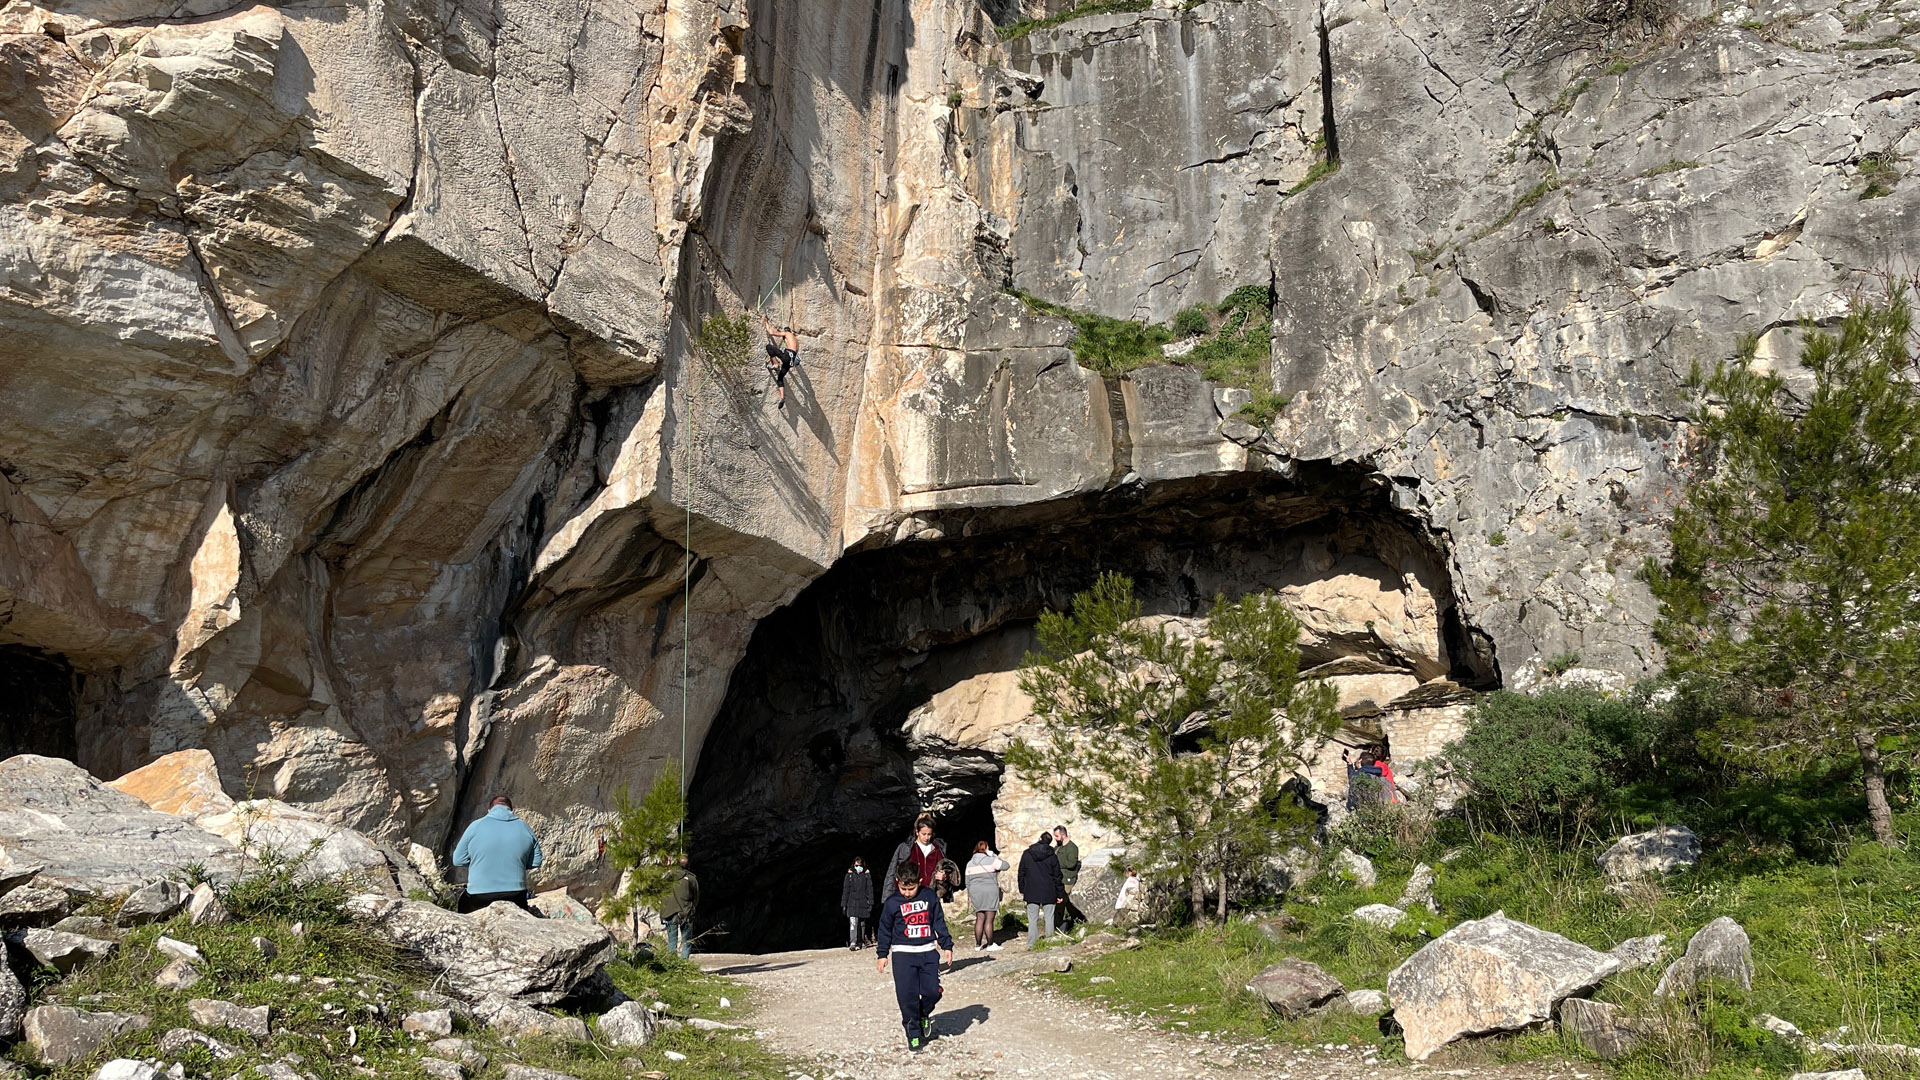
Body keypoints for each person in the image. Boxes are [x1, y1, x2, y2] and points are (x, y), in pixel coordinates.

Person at [876, 863, 954, 1052]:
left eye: (911, 888)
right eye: (903, 888)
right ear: (897, 883)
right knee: (906, 996)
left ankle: (922, 1014)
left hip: (927, 952)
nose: (907, 893)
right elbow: (884, 929)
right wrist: (882, 954)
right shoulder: (892, 902)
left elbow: (938, 920)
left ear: (920, 881)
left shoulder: (928, 896)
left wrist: (946, 944)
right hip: (903, 955)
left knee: (933, 992)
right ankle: (913, 1033)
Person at [450, 795, 541, 913]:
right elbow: (536, 861)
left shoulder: (475, 826)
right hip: (515, 895)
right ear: (512, 811)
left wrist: (480, 862)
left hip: (479, 895)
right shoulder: (524, 827)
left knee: (463, 905)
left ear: (489, 810)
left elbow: (458, 859)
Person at [1016, 830, 1065, 949]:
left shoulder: (1027, 854)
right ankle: (1049, 942)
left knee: (1032, 918)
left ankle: (1032, 944)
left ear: (1039, 839)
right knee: (1049, 917)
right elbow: (1057, 876)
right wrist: (1060, 893)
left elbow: (1021, 872)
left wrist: (1022, 888)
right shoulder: (1052, 855)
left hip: (1031, 890)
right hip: (1049, 890)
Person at [885, 817, 948, 898]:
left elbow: (946, 868)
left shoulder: (937, 849)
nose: (926, 837)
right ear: (917, 832)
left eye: (929, 834)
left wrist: (944, 875)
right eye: (923, 834)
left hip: (931, 893)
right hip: (910, 893)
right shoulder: (907, 849)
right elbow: (894, 870)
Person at [964, 840, 1010, 952]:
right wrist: (995, 856)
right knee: (989, 919)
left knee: (979, 917)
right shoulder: (992, 860)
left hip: (976, 892)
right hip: (990, 891)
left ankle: (978, 945)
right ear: (986, 849)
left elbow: (967, 881)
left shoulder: (969, 863)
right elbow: (1006, 866)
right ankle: (990, 944)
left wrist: (970, 894)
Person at [659, 853, 699, 959]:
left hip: (669, 914)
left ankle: (672, 966)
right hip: (686, 913)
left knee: (672, 943)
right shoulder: (691, 879)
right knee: (687, 942)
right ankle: (683, 966)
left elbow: (661, 895)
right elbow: (696, 897)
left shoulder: (666, 878)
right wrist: (691, 909)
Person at [761, 315, 799, 409]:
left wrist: (765, 322)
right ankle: (782, 397)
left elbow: (771, 332)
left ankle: (775, 364)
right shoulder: (796, 341)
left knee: (769, 347)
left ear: (786, 331)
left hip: (787, 356)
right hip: (791, 361)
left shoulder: (787, 334)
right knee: (780, 378)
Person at [842, 856, 875, 951]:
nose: (858, 867)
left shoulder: (866, 876)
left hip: (863, 903)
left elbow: (869, 889)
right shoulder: (849, 876)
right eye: (856, 865)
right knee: (853, 923)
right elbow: (846, 890)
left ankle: (861, 942)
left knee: (862, 924)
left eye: (860, 865)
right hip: (852, 903)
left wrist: (871, 903)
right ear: (853, 865)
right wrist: (844, 904)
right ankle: (853, 942)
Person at [1052, 825, 1082, 929]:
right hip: (1057, 879)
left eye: (1056, 836)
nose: (1055, 838)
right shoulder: (1058, 847)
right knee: (1057, 904)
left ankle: (1061, 925)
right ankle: (1057, 924)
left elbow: (1071, 864)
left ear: (1063, 835)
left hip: (1066, 880)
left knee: (1062, 903)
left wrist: (1056, 863)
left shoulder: (1072, 848)